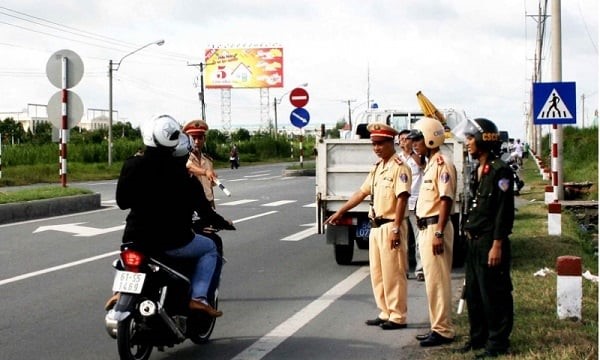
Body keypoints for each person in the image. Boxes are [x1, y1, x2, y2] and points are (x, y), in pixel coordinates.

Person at [114, 114, 222, 318]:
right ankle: (199, 298)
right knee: (210, 247)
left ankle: (120, 292)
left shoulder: (132, 165)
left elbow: (122, 202)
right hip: (172, 242)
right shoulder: (181, 175)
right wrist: (221, 222)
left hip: (134, 238)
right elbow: (204, 210)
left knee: (126, 256)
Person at [325, 123, 412, 330]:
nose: (377, 148)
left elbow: (402, 199)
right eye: (374, 144)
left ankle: (398, 316)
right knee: (378, 273)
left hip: (391, 225)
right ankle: (385, 312)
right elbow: (361, 193)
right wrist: (341, 211)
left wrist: (396, 228)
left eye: (381, 143)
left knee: (394, 274)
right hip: (376, 226)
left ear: (392, 143)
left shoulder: (400, 167)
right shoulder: (377, 168)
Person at [459, 118, 514, 358]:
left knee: (494, 294)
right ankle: (478, 338)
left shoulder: (500, 170)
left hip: (489, 242)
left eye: (471, 138)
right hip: (474, 241)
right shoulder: (478, 170)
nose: (467, 143)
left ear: (484, 140)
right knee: (474, 293)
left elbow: (504, 211)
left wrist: (497, 244)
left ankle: (497, 343)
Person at [411, 117, 457, 347]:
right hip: (426, 228)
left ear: (430, 139)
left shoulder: (442, 163)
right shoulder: (430, 163)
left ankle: (443, 330)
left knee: (438, 282)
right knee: (431, 282)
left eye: (417, 140)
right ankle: (437, 326)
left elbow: (446, 199)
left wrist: (438, 232)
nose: (414, 144)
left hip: (434, 228)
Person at [397, 129, 425, 281]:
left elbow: (422, 165)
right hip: (401, 203)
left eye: (406, 139)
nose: (404, 141)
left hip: (416, 202)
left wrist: (411, 152)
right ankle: (403, 268)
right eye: (401, 139)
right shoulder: (397, 159)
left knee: (419, 237)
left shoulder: (418, 156)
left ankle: (420, 269)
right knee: (402, 238)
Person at [182, 119, 218, 208]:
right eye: (193, 138)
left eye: (200, 138)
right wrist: (206, 172)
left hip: (208, 203)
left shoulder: (208, 160)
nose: (197, 142)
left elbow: (210, 187)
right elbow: (189, 167)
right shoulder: (184, 159)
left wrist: (213, 204)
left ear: (204, 139)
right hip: (193, 204)